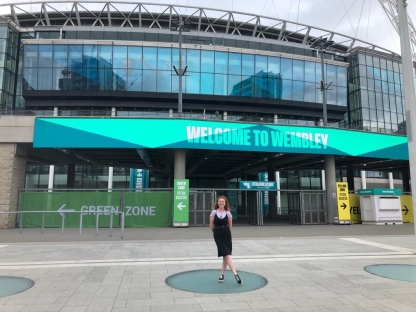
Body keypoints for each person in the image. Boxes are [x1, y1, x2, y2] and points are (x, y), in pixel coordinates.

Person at [210, 195, 243, 284]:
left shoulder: (228, 213)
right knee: (227, 255)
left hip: (227, 234)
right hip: (217, 235)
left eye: (223, 202)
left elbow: (230, 225)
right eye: (220, 201)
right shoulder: (213, 212)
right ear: (217, 203)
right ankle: (236, 275)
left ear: (225, 203)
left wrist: (226, 232)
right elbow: (211, 225)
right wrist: (217, 232)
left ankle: (222, 275)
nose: (221, 203)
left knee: (226, 256)